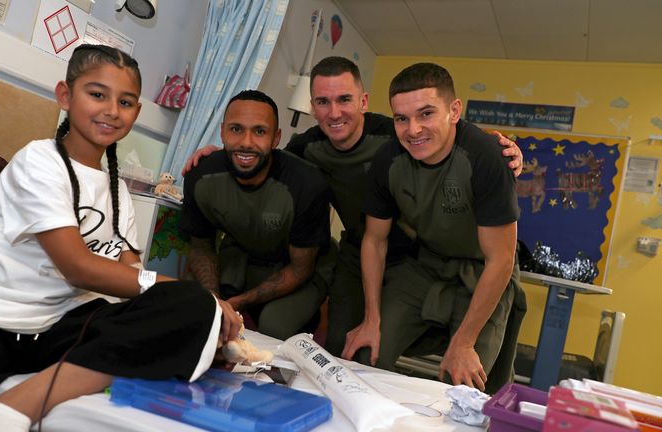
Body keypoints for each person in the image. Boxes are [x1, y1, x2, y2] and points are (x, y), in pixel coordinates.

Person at [0, 44, 239, 432]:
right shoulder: (38, 161)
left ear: (136, 112)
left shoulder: (118, 193)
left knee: (192, 304)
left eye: (125, 102)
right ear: (65, 95)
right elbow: (76, 266)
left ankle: (15, 407)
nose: (111, 110)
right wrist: (169, 289)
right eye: (97, 94)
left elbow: (132, 274)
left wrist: (206, 319)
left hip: (60, 322)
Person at [183, 57, 523, 357]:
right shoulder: (307, 147)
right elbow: (264, 155)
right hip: (361, 245)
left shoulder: (395, 136)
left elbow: (441, 133)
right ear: (312, 107)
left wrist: (497, 147)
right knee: (343, 346)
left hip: (413, 254)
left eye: (344, 99)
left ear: (363, 101)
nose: (334, 112)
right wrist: (218, 152)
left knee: (434, 344)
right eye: (323, 102)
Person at [342, 62, 522, 393]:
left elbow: (501, 261)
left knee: (465, 385)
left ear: (454, 111)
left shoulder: (486, 158)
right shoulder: (388, 161)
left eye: (426, 114)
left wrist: (464, 343)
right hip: (425, 266)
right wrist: (371, 319)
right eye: (402, 118)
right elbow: (374, 241)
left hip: (484, 271)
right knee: (364, 354)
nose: (413, 129)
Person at [180, 89, 333, 341]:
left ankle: (313, 314)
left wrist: (241, 302)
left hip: (301, 268)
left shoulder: (307, 184)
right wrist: (215, 300)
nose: (246, 142)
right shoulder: (201, 175)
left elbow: (299, 269)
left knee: (274, 327)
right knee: (193, 308)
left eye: (259, 131)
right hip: (242, 256)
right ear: (222, 132)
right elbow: (201, 247)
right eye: (236, 129)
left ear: (276, 138)